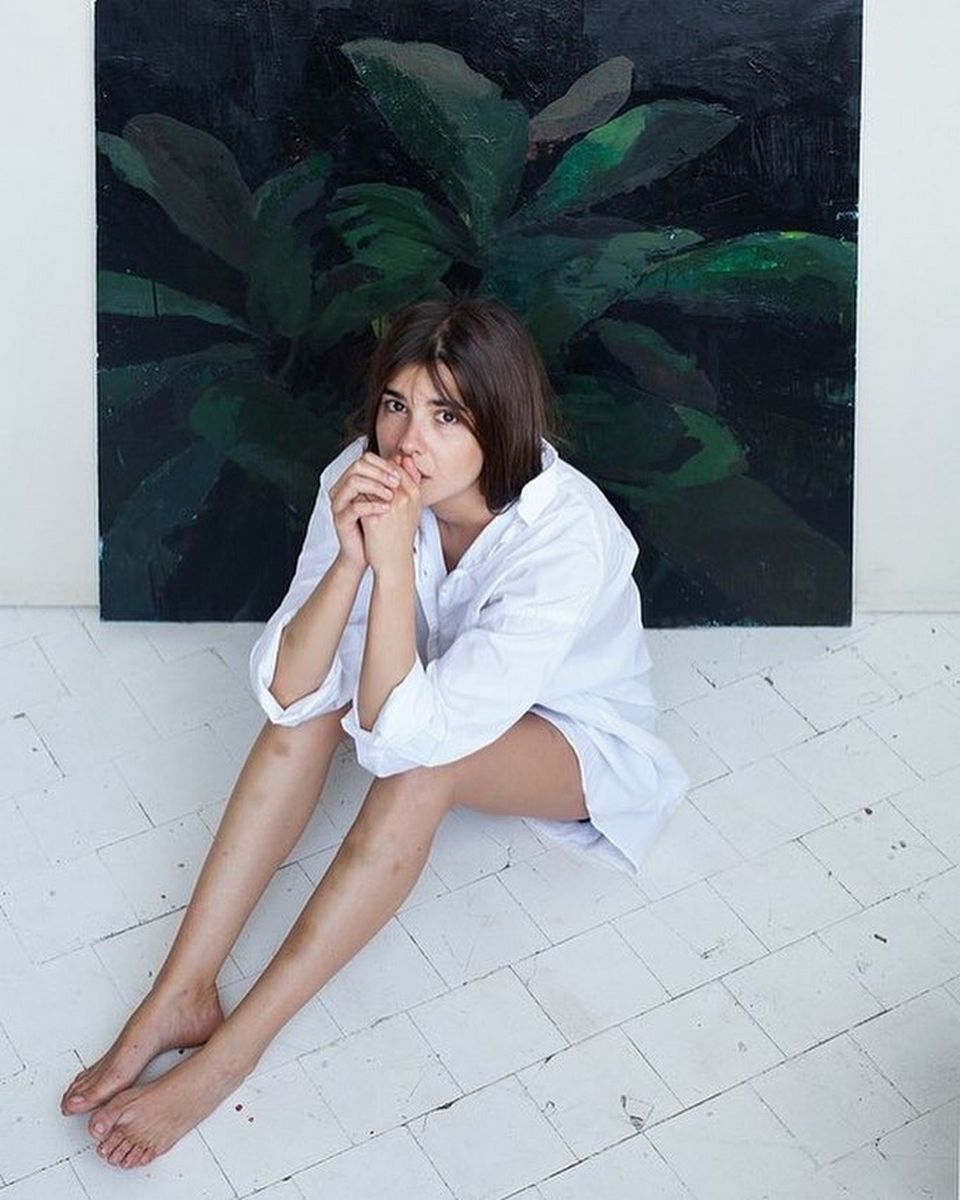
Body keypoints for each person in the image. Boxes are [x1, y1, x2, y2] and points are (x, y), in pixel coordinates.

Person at [59, 294, 688, 1169]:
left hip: (569, 738)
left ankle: (234, 1052)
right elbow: (286, 693)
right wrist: (355, 557)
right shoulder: (364, 477)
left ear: (500, 421)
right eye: (396, 405)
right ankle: (180, 991)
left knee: (421, 775)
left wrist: (390, 569)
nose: (407, 441)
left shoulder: (568, 538)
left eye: (445, 415)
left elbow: (407, 749)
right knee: (315, 704)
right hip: (427, 692)